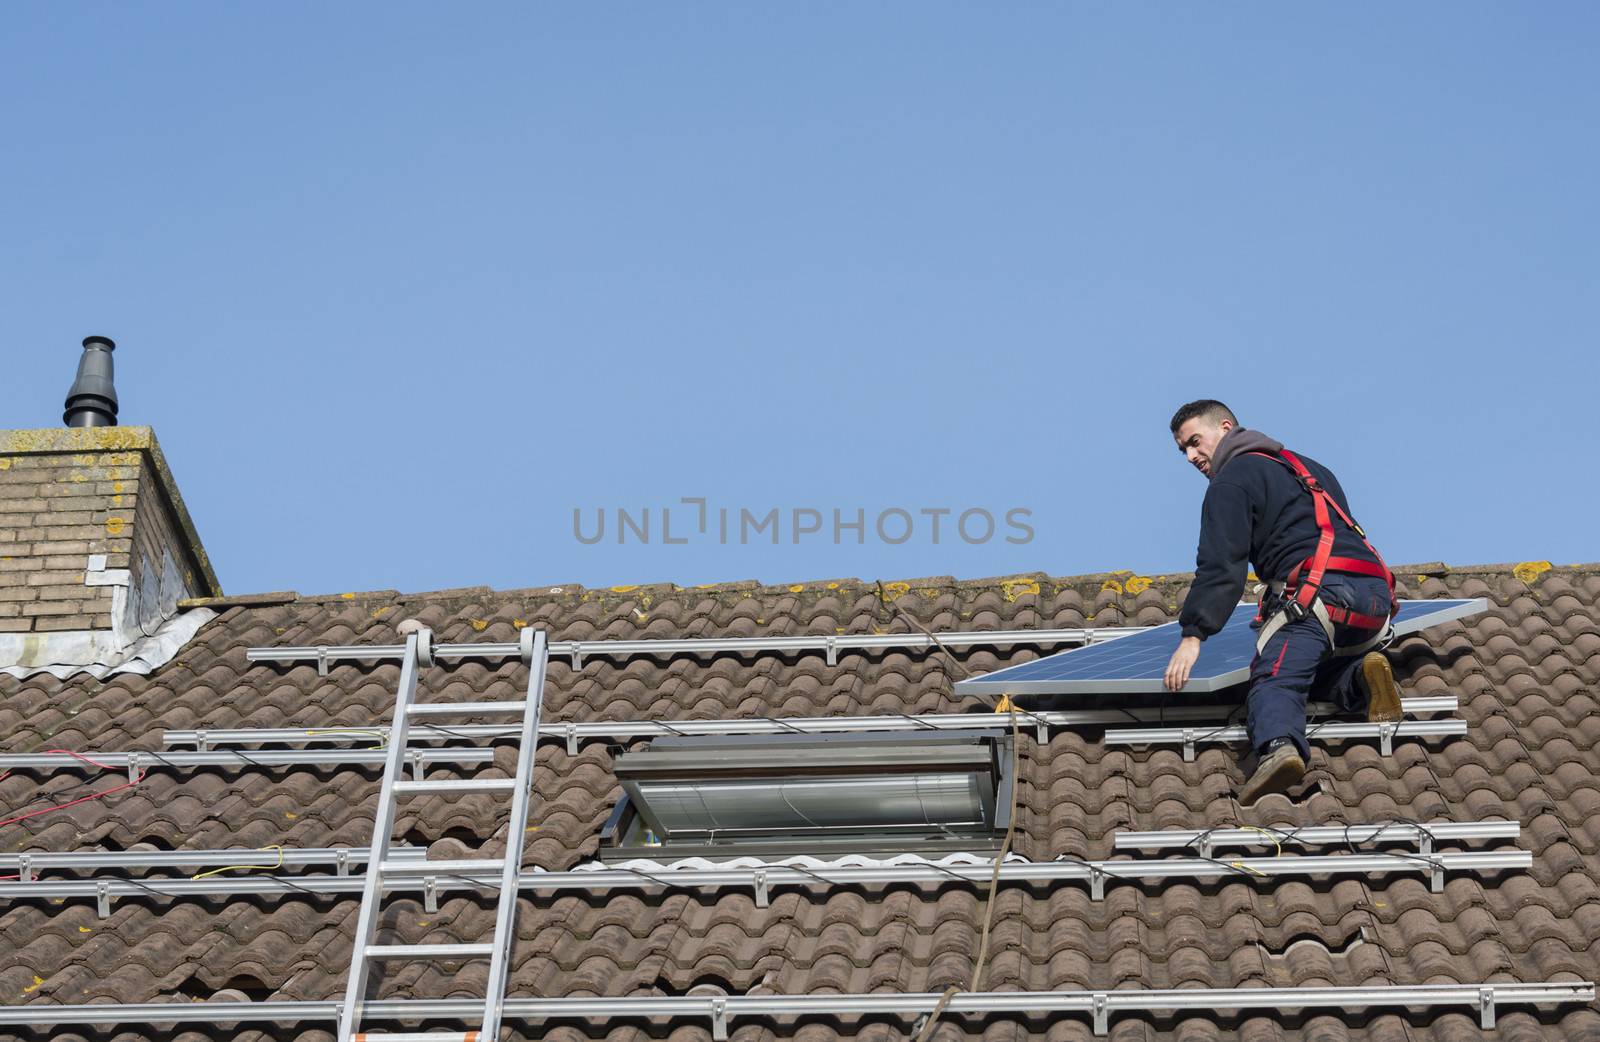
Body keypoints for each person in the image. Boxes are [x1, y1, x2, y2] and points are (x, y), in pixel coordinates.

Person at [1162, 400, 1403, 804]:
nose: (1190, 456)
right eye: (1183, 450)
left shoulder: (1231, 481)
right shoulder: (1308, 467)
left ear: (1224, 428)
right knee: (1318, 671)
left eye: (1194, 442)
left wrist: (1194, 634)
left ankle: (1278, 748)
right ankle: (1363, 677)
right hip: (1374, 600)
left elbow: (1222, 565)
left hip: (1318, 595)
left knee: (1276, 677)